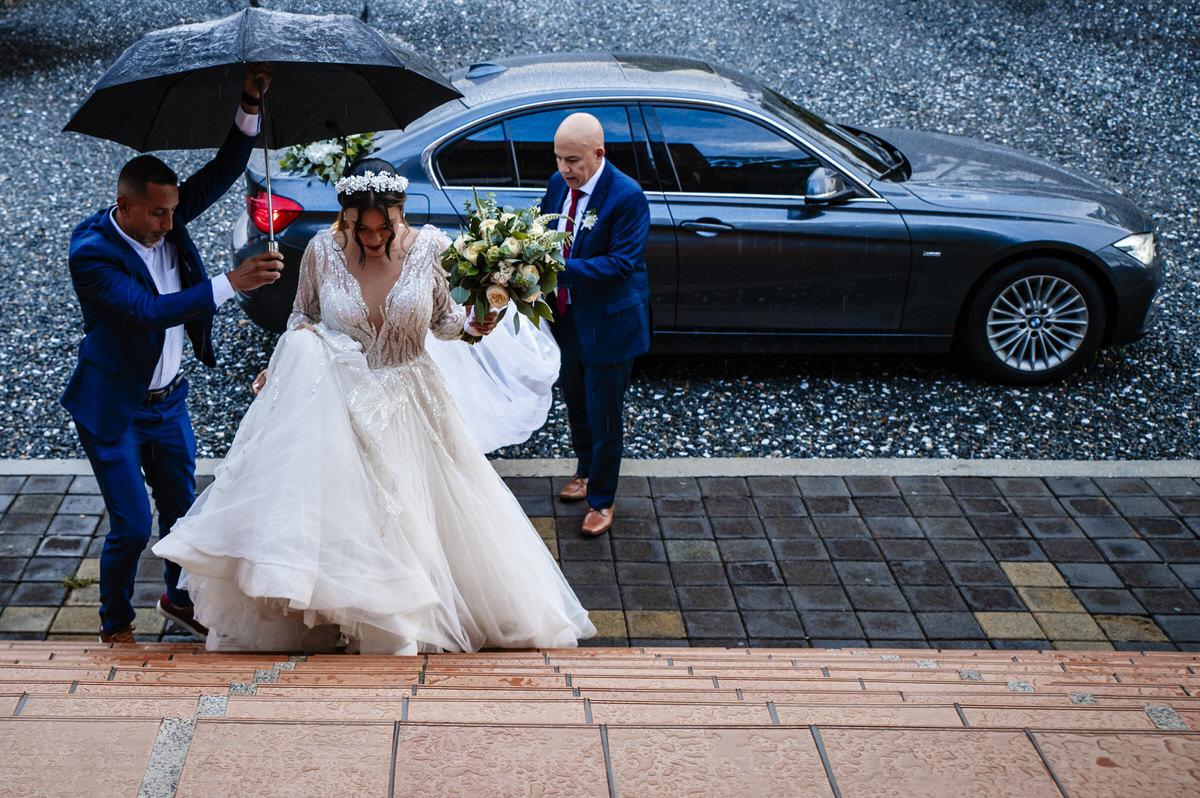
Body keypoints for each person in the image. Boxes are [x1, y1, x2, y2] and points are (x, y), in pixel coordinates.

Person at [153, 159, 595, 654]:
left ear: (399, 214)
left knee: (420, 515)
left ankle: (408, 623)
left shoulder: (431, 247)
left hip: (413, 399)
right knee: (346, 518)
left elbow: (444, 321)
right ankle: (341, 618)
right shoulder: (322, 250)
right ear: (345, 217)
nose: (374, 239)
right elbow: (303, 315)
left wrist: (474, 327)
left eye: (384, 227)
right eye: (361, 229)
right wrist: (286, 362)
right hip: (339, 405)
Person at [62, 64, 284, 645]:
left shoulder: (169, 211)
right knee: (133, 527)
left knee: (185, 518)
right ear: (125, 206)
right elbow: (146, 311)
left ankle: (178, 597)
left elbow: (225, 167)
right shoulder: (90, 253)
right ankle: (115, 625)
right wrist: (230, 283)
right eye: (157, 214)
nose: (169, 222)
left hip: (169, 404)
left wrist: (249, 101)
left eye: (172, 210)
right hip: (114, 406)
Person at [543, 113, 651, 536]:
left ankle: (602, 500)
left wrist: (557, 267)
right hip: (568, 320)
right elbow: (544, 231)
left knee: (606, 417)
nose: (564, 169)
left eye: (573, 160)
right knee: (577, 403)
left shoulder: (627, 197)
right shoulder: (557, 185)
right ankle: (585, 471)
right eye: (558, 159)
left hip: (610, 327)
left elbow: (621, 264)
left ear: (599, 154)